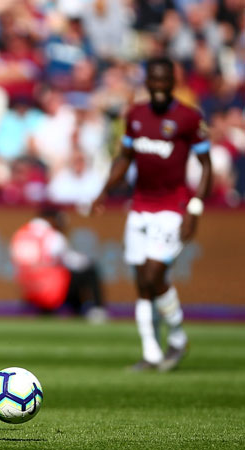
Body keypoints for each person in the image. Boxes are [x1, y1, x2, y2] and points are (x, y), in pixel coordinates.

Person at [92, 57, 212, 372]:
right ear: (147, 81)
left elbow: (206, 166)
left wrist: (195, 208)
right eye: (153, 80)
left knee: (154, 274)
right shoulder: (136, 115)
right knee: (142, 284)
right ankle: (152, 352)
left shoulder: (189, 118)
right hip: (140, 207)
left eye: (164, 81)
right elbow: (125, 157)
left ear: (172, 82)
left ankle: (177, 337)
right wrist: (105, 189)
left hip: (173, 208)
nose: (158, 86)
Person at [10, 206, 107, 322]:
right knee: (89, 270)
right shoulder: (52, 236)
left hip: (28, 289)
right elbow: (70, 261)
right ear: (51, 219)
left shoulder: (20, 233)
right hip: (52, 290)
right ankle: (97, 310)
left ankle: (64, 310)